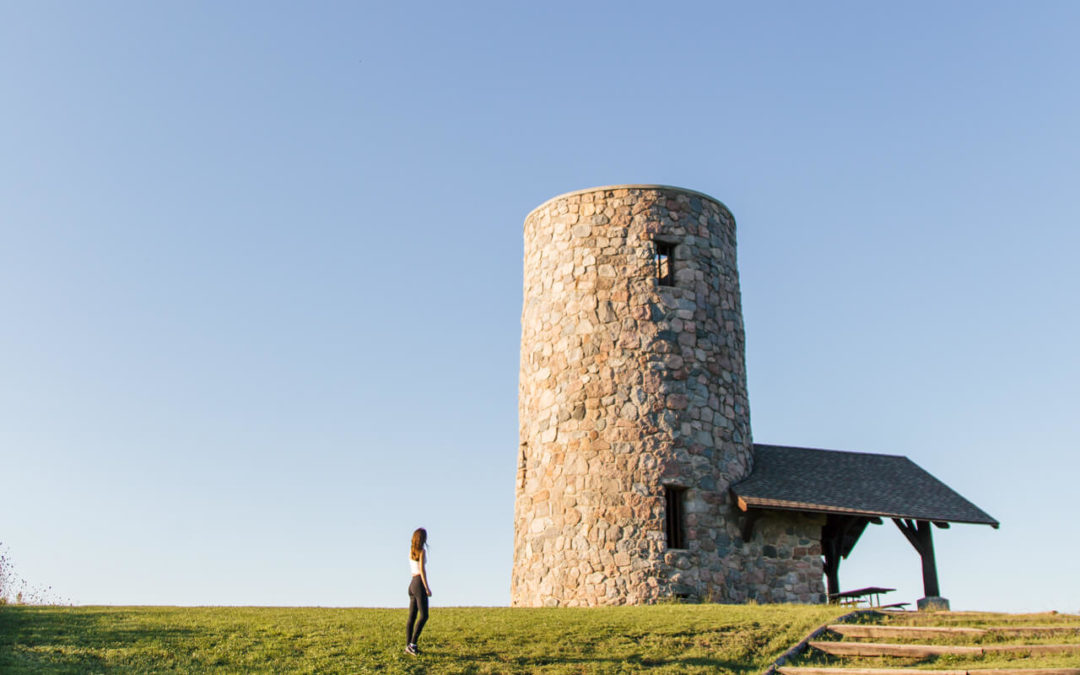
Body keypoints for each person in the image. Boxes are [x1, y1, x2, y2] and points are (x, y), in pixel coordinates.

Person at [405, 527, 431, 656]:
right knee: (424, 615)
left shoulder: (411, 551)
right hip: (419, 583)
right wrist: (427, 587)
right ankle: (412, 644)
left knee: (412, 617)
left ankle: (408, 645)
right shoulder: (422, 551)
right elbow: (422, 570)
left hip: (412, 584)